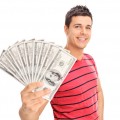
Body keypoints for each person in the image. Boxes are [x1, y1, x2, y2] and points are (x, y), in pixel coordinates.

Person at [19, 5, 104, 120]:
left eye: (88, 27)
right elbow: (33, 114)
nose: (84, 32)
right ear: (66, 29)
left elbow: (98, 92)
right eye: (77, 26)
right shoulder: (55, 68)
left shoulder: (90, 59)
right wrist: (25, 112)